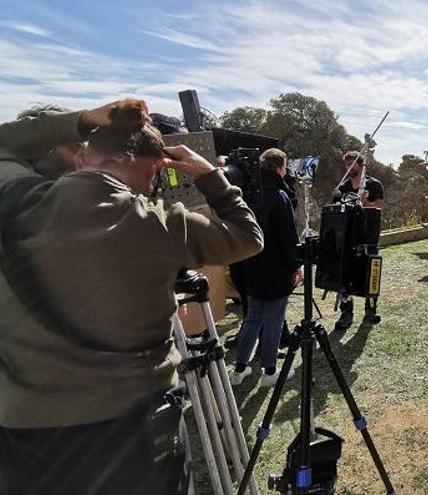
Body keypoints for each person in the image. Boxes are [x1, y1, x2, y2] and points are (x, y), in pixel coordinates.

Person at [0, 99, 263, 495]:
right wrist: (211, 175)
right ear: (157, 168)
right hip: (132, 431)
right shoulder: (158, 223)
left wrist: (81, 121)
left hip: (30, 436)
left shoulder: (15, 201)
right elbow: (247, 237)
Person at [230, 148, 303, 388]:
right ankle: (269, 371)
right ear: (280, 167)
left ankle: (240, 369)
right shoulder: (279, 196)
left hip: (251, 266)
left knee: (252, 318)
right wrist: (296, 265)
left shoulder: (248, 194)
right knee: (273, 319)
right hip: (275, 269)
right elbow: (287, 236)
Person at [333, 150, 384, 330]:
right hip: (347, 238)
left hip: (369, 237)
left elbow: (380, 207)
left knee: (371, 272)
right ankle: (346, 312)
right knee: (344, 274)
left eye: (351, 163)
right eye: (346, 164)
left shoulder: (373, 184)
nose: (348, 167)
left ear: (361, 164)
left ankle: (370, 310)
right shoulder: (343, 187)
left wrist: (366, 203)